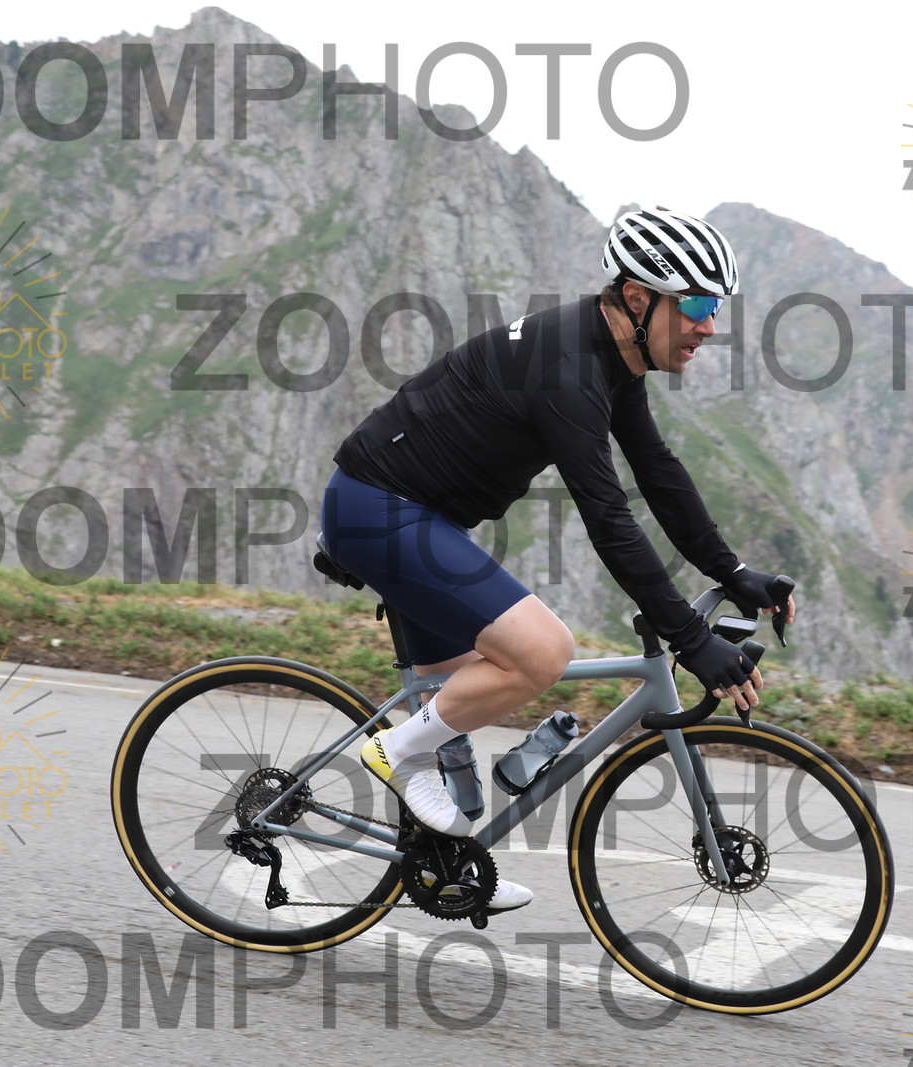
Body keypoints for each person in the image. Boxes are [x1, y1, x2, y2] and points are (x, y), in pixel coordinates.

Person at [322, 206, 797, 911]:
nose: (709, 326)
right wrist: (690, 638)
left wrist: (731, 572)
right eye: (697, 305)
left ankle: (443, 867)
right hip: (378, 510)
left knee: (460, 740)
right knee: (543, 652)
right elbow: (608, 516)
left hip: (418, 517)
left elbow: (658, 472)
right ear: (637, 298)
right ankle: (394, 751)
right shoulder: (568, 368)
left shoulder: (609, 356)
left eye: (716, 307)